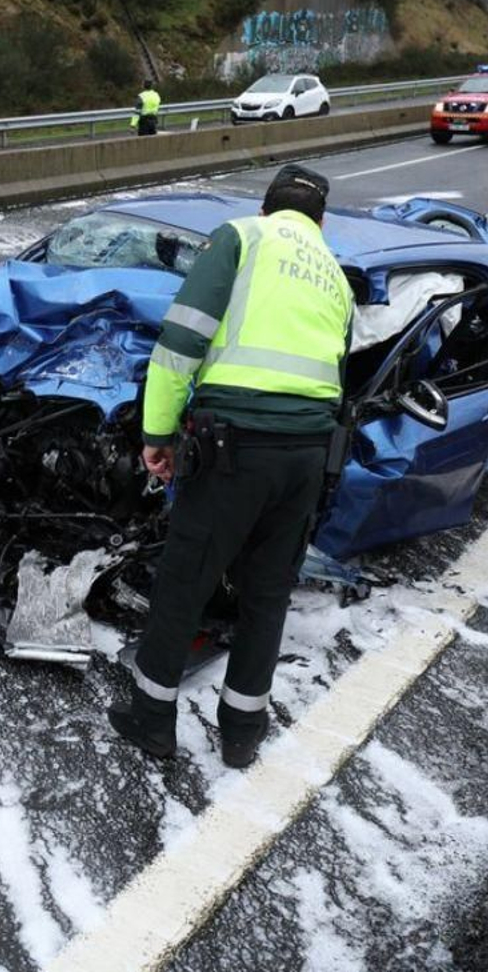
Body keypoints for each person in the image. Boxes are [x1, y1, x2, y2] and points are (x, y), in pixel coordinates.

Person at [108, 164, 352, 769]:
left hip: (233, 451)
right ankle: (243, 732)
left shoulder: (242, 238)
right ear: (318, 222)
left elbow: (178, 347)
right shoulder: (336, 276)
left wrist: (157, 434)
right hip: (306, 457)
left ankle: (151, 720)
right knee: (267, 596)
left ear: (267, 210)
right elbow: (338, 381)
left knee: (184, 585)